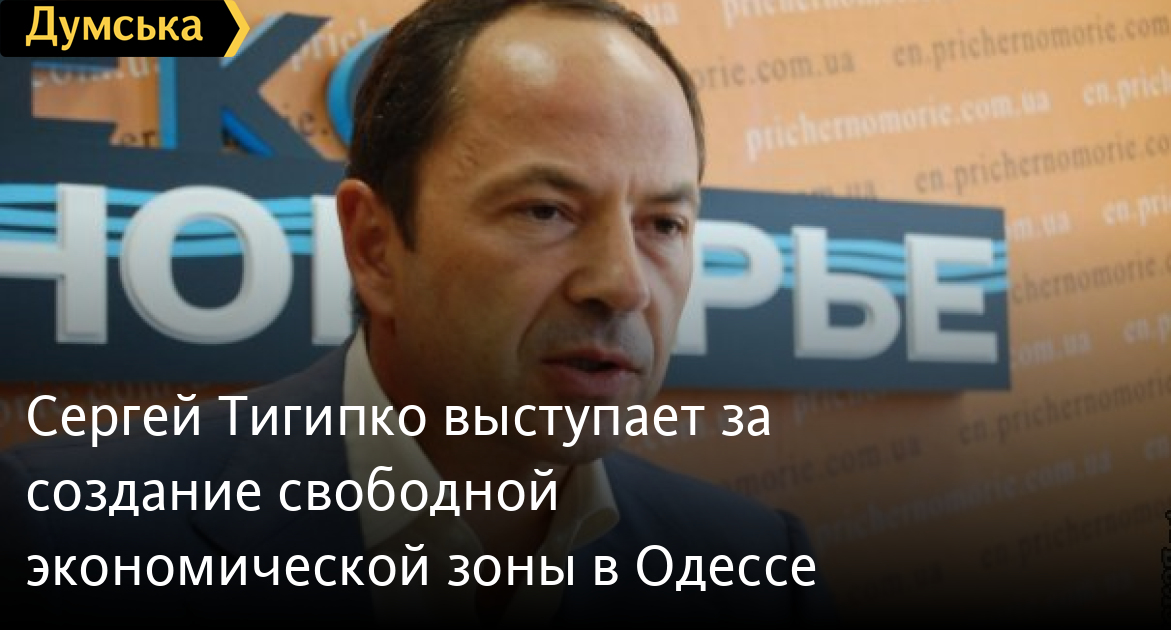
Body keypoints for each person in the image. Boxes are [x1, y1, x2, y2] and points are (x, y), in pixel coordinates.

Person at [0, 0, 834, 625]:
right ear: (374, 247)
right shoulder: (65, 531)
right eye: (545, 209)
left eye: (664, 225)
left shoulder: (757, 567)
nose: (623, 285)